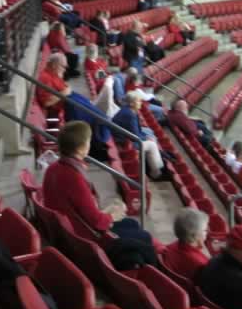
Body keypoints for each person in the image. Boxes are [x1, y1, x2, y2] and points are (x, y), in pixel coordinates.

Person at [42, 121, 160, 249]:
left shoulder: (53, 168)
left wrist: (106, 212)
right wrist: (112, 215)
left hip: (71, 228)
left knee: (132, 224)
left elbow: (78, 209)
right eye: (88, 141)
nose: (89, 144)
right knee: (144, 237)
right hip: (84, 237)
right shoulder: (73, 176)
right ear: (80, 148)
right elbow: (96, 222)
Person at [112, 92, 165, 180]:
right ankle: (156, 174)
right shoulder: (130, 114)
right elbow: (135, 136)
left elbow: (137, 131)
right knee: (152, 145)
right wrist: (145, 138)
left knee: (149, 136)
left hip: (125, 140)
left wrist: (145, 137)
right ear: (132, 103)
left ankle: (154, 170)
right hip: (123, 143)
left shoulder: (130, 110)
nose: (141, 102)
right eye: (138, 101)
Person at [163, 208, 210, 280]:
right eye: (205, 230)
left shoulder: (170, 247)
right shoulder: (201, 264)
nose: (207, 233)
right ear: (195, 235)